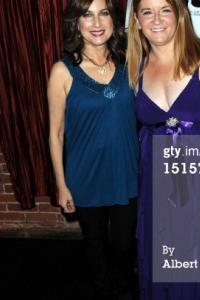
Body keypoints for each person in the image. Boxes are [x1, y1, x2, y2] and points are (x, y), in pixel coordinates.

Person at [126, 0, 200, 299]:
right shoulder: (135, 65)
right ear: (137, 21)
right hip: (159, 181)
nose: (157, 19)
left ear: (179, 15)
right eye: (147, 12)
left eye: (165, 9)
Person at [47, 0, 138, 299]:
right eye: (87, 14)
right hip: (85, 175)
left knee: (125, 245)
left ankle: (124, 291)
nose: (96, 22)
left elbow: (174, 52)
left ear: (113, 19)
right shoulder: (63, 70)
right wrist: (61, 184)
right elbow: (56, 132)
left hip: (126, 172)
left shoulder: (131, 61)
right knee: (95, 247)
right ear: (76, 22)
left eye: (104, 13)